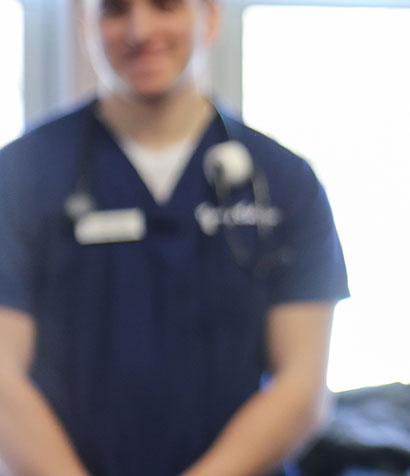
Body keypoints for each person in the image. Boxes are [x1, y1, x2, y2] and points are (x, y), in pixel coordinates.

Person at [0, 0, 348, 474]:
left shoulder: (285, 181)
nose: (140, 30)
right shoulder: (21, 174)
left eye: (165, 6)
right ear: (85, 24)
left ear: (209, 17)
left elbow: (302, 388)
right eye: (116, 10)